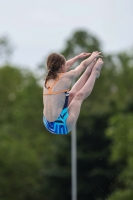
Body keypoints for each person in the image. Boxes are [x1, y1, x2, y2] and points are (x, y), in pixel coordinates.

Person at [43, 51, 103, 134]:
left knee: (71, 94)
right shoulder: (66, 77)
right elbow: (83, 65)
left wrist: (78, 57)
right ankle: (94, 72)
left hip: (48, 123)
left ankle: (89, 70)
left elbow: (66, 65)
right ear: (62, 67)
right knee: (79, 96)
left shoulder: (48, 77)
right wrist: (93, 56)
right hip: (62, 126)